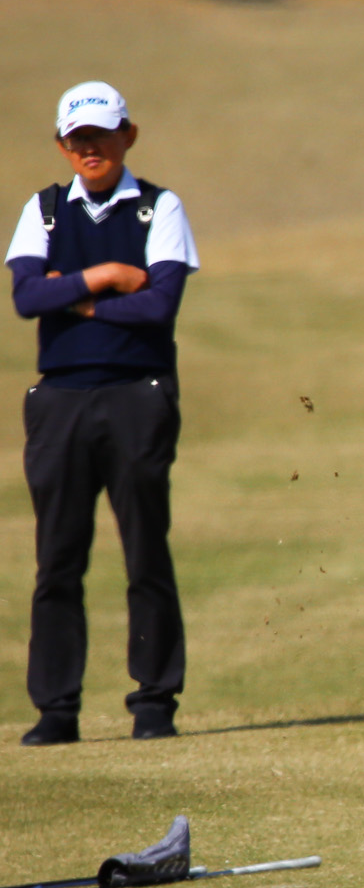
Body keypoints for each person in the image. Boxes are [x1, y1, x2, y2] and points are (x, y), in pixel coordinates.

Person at [7, 82, 200, 746]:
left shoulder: (158, 207)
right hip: (59, 399)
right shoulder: (46, 210)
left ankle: (154, 702)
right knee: (57, 557)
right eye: (78, 138)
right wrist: (109, 275)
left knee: (145, 548)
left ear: (128, 136)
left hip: (137, 394)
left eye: (102, 135)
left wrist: (74, 298)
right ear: (64, 145)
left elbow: (159, 306)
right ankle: (56, 709)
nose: (91, 148)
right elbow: (27, 296)